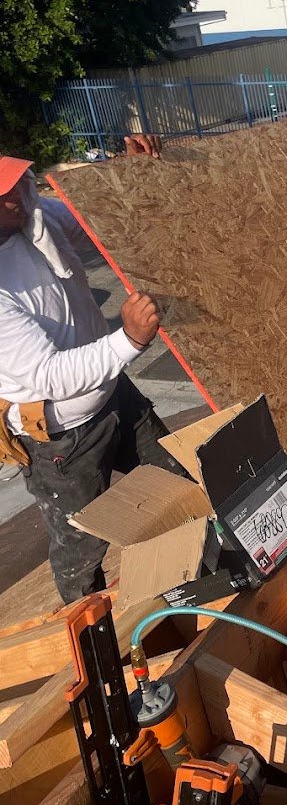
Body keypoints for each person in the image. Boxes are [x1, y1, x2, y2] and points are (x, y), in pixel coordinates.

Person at [0, 148, 185, 604]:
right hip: (64, 442)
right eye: (3, 194)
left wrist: (127, 168)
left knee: (178, 488)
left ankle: (191, 585)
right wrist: (129, 339)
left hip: (113, 395)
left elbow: (97, 214)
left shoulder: (32, 217)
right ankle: (93, 637)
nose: (17, 195)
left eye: (15, 183)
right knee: (82, 552)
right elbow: (49, 375)